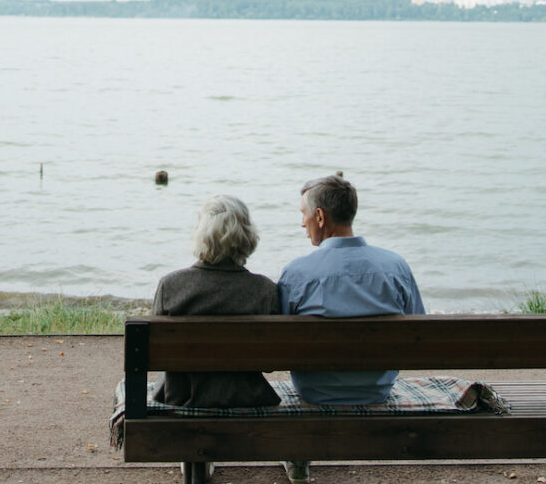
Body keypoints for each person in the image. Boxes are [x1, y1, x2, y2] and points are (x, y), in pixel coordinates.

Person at [277, 175, 425, 484]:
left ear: (320, 216)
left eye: (303, 215)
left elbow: (281, 343)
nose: (302, 224)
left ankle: (300, 457)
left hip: (315, 391)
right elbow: (418, 332)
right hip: (376, 388)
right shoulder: (395, 266)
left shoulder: (297, 273)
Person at [152, 194, 281, 409]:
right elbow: (269, 364)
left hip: (183, 399)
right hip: (247, 399)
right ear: (247, 235)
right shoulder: (265, 290)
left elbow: (156, 355)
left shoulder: (171, 286)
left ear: (200, 234)